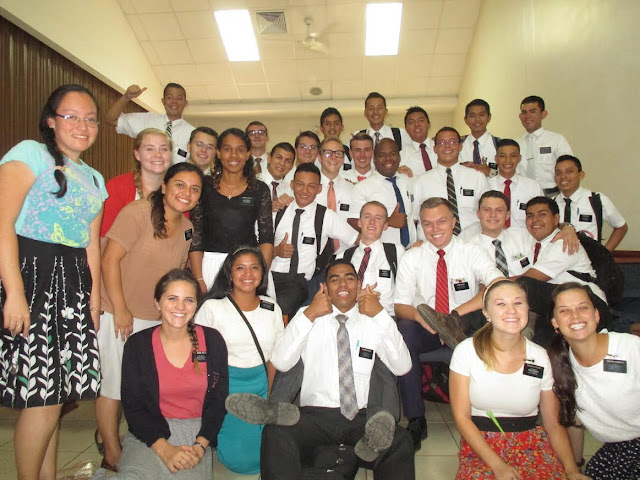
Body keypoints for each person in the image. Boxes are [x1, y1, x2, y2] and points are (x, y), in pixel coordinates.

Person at [0, 84, 107, 479]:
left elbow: (91, 245)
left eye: (90, 119)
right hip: (33, 278)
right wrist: (14, 293)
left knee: (57, 396)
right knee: (41, 396)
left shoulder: (94, 178)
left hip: (74, 283)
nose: (82, 125)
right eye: (71, 116)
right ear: (50, 120)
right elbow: (2, 224)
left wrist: (93, 300)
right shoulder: (31, 153)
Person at [261, 259, 415, 479]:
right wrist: (310, 314)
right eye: (335, 280)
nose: (343, 284)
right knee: (275, 433)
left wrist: (381, 314)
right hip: (315, 417)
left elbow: (402, 367)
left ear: (359, 285)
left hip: (362, 418)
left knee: (400, 440)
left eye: (349, 278)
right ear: (324, 287)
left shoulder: (373, 320)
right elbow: (281, 362)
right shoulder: (308, 315)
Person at [96, 162, 203, 470]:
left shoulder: (187, 228)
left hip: (154, 318)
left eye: (194, 189)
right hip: (120, 313)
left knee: (137, 386)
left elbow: (175, 272)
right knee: (113, 386)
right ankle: (111, 452)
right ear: (165, 186)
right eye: (180, 185)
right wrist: (120, 308)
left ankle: (135, 442)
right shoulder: (137, 212)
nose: (186, 193)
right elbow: (108, 260)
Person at [449, 280, 588, 480]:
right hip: (482, 445)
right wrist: (498, 466)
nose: (511, 311)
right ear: (486, 313)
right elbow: (462, 418)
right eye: (501, 304)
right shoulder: (467, 351)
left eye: (518, 303)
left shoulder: (540, 357)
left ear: (528, 308)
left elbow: (553, 425)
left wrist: (571, 470)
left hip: (531, 444)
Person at [394, 197, 502, 450]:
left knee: (490, 316)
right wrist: (421, 318)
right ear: (421, 226)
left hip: (464, 325)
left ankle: (489, 414)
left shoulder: (472, 251)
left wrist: (453, 316)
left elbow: (497, 283)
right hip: (428, 325)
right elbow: (400, 305)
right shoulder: (412, 257)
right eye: (427, 224)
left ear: (454, 222)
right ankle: (416, 419)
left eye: (441, 221)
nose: (435, 229)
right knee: (404, 331)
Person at [112, 269, 228, 479]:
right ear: (157, 303)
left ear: (196, 305)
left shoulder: (213, 341)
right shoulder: (138, 345)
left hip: (195, 434)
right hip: (149, 432)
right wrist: (164, 449)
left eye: (189, 300)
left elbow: (218, 402)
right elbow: (133, 406)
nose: (180, 307)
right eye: (172, 298)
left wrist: (200, 446)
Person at [195, 247, 284, 474]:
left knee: (267, 454)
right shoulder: (213, 308)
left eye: (254, 267)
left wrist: (268, 394)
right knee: (239, 461)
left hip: (261, 385)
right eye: (240, 268)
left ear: (262, 273)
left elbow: (275, 357)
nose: (248, 274)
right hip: (226, 388)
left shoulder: (272, 307)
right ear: (229, 272)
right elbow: (198, 356)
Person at [549, 282, 640, 479]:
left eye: (583, 308)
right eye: (565, 311)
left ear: (596, 315)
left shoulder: (630, 348)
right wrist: (574, 470)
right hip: (617, 448)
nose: (575, 316)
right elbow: (574, 420)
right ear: (555, 322)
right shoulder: (560, 365)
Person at [188, 128, 274, 294]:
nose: (234, 156)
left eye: (240, 150)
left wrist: (261, 273)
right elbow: (196, 236)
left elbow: (266, 237)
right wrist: (198, 278)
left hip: (248, 267)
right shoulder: (204, 186)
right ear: (218, 153)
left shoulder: (259, 189)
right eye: (227, 149)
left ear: (248, 154)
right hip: (210, 266)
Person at [270, 163, 358, 318]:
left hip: (301, 282)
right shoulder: (277, 211)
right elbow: (255, 248)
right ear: (292, 185)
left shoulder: (326, 216)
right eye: (300, 184)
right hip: (269, 278)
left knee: (280, 307)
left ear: (319, 189)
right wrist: (276, 251)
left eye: (311, 186)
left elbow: (356, 240)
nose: (305, 191)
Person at [412, 127, 489, 235]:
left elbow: (488, 212)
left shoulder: (477, 177)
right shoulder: (420, 181)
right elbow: (414, 218)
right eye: (442, 143)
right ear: (435, 149)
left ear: (460, 146)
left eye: (452, 142)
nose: (447, 146)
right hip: (434, 241)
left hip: (471, 240)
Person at [100, 128, 172, 237]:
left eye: (164, 149)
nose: (158, 155)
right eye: (150, 149)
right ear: (137, 154)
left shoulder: (179, 190)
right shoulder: (117, 187)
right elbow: (105, 235)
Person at [340, 201, 405, 317]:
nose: (372, 222)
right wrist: (356, 296)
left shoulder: (397, 252)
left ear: (385, 225)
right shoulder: (343, 256)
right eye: (367, 217)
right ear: (359, 223)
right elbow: (336, 295)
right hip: (350, 318)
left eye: (378, 218)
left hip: (385, 318)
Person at [105, 83, 195, 164]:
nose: (174, 101)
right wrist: (126, 97)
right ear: (163, 101)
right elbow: (110, 119)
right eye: (169, 97)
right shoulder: (148, 120)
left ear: (185, 103)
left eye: (179, 98)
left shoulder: (192, 133)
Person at [350, 138, 417, 248]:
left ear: (399, 157)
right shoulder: (361, 188)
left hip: (411, 249)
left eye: (393, 154)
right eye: (382, 155)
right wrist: (388, 222)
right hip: (382, 252)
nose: (388, 159)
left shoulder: (408, 182)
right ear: (374, 159)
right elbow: (354, 221)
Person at [553, 155, 627, 250]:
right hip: (558, 257)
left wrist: (605, 253)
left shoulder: (596, 200)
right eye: (558, 173)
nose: (563, 176)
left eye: (569, 171)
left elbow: (621, 227)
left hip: (590, 257)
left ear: (581, 175)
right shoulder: (551, 203)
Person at [517, 95, 573, 196]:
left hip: (552, 195)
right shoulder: (516, 144)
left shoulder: (556, 140)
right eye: (524, 112)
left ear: (543, 114)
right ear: (520, 116)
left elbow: (569, 169)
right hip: (524, 196)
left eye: (532, 111)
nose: (527, 116)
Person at [487, 139, 544, 229]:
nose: (508, 160)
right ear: (496, 159)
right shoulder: (486, 185)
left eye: (513, 156)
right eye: (503, 156)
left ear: (519, 158)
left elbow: (541, 216)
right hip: (494, 235)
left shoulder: (532, 186)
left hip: (524, 236)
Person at [459, 99, 501, 177]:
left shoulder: (500, 145)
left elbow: (509, 175)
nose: (477, 119)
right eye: (472, 116)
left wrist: (490, 172)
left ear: (489, 117)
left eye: (481, 115)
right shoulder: (458, 145)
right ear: (466, 120)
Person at [398, 106, 435, 178]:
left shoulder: (441, 149)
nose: (417, 125)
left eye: (421, 120)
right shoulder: (401, 157)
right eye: (411, 122)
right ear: (406, 129)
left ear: (429, 124)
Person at [258, 142, 295, 209]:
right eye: (279, 158)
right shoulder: (254, 181)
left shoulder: (290, 190)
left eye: (288, 161)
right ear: (269, 158)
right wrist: (266, 207)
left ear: (291, 167)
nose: (282, 163)